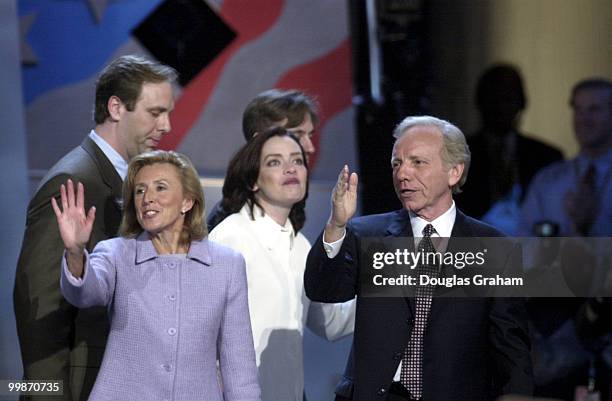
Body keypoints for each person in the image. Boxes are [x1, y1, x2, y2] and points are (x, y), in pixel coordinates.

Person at [304, 116, 533, 401]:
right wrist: (336, 225)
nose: (403, 174)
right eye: (396, 163)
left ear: (454, 172)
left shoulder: (496, 250)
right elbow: (324, 290)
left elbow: (510, 345)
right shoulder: (366, 234)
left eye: (417, 162)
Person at [13, 55, 177, 400]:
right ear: (116, 107)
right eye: (155, 112)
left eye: (167, 113)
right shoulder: (73, 180)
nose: (167, 126)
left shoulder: (127, 182)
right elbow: (40, 307)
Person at [54, 150, 261, 401]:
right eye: (140, 190)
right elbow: (85, 293)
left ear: (187, 201)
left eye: (160, 188)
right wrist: (75, 252)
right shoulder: (116, 253)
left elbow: (239, 367)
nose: (147, 198)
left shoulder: (227, 264)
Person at [208, 127, 355, 401]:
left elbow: (329, 323)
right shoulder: (231, 236)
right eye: (275, 162)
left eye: (297, 161)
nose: (290, 169)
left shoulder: (300, 246)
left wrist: (384, 285)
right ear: (253, 181)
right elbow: (202, 328)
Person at [518, 78, 612, 400]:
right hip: (557, 330)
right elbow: (524, 253)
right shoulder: (549, 181)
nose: (584, 119)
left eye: (595, 110)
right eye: (579, 109)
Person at [457, 63, 563, 234]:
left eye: (507, 98)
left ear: (522, 102)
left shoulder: (547, 158)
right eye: (493, 97)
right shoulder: (454, 157)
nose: (500, 106)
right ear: (479, 101)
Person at [207, 89, 318, 231]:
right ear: (258, 141)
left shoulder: (290, 208)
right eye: (297, 135)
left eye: (310, 135)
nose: (310, 148)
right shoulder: (230, 228)